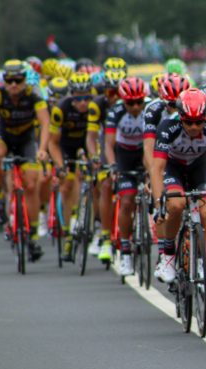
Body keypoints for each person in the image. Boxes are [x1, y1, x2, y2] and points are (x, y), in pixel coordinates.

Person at [151, 88, 206, 300]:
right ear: (181, 117)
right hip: (173, 168)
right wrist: (158, 204)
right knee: (176, 205)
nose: (194, 127)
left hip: (200, 166)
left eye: (198, 122)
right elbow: (157, 168)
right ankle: (168, 257)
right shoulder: (168, 126)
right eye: (189, 122)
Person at [0, 59, 51, 260]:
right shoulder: (0, 94)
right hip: (4, 136)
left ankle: (33, 233)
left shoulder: (34, 95)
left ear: (24, 81)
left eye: (18, 80)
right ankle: (0, 198)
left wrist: (43, 149)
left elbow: (45, 124)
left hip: (26, 140)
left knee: (31, 184)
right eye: (9, 80)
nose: (13, 85)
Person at [103, 77, 148, 276]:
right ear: (123, 100)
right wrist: (113, 166)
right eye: (130, 103)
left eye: (139, 101)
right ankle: (126, 250)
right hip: (124, 155)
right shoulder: (116, 112)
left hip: (145, 152)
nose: (136, 107)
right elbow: (109, 145)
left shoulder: (150, 110)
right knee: (127, 200)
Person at [144, 73, 190, 265]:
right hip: (163, 156)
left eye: (178, 104)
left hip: (188, 156)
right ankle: (165, 253)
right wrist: (152, 176)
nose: (175, 110)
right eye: (171, 105)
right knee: (164, 205)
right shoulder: (153, 111)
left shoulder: (195, 106)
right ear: (163, 102)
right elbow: (148, 147)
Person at [47, 72, 93, 261]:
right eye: (78, 97)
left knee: (94, 180)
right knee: (68, 184)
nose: (83, 102)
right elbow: (52, 143)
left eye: (86, 97)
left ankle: (91, 224)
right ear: (71, 95)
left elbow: (98, 137)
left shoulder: (95, 106)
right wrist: (60, 166)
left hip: (87, 143)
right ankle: (67, 233)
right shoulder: (61, 109)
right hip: (64, 146)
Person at [86, 69, 126, 263]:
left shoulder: (133, 103)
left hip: (128, 146)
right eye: (111, 92)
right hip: (107, 144)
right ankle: (104, 236)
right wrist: (94, 157)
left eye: (119, 92)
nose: (115, 97)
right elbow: (92, 137)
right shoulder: (97, 104)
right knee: (105, 185)